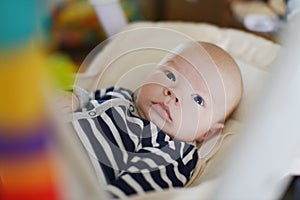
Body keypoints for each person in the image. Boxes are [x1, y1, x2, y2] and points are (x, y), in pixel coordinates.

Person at [60, 41, 243, 199]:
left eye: (198, 99)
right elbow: (87, 99)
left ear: (208, 132)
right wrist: (74, 99)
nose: (174, 92)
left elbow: (131, 192)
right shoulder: (120, 93)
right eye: (170, 75)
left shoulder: (174, 152)